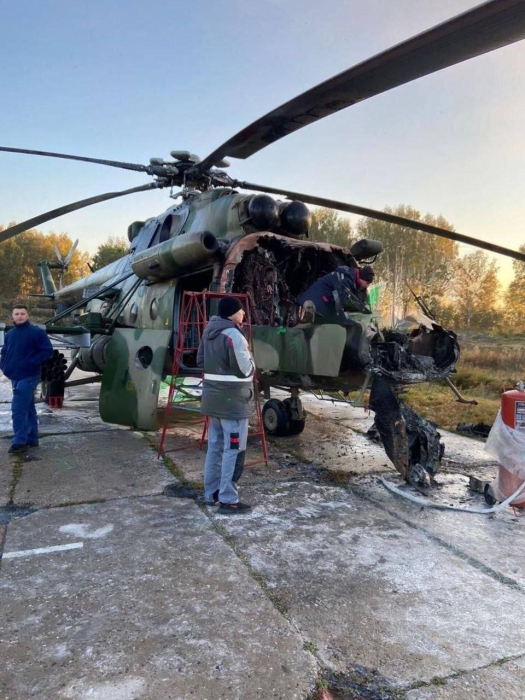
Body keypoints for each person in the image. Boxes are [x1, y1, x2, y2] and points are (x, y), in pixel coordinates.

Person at [197, 296, 256, 514]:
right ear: (232, 313)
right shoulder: (234, 335)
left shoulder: (208, 331)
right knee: (233, 449)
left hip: (213, 400)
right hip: (234, 403)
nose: (243, 315)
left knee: (215, 446)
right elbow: (246, 370)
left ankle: (211, 493)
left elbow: (200, 361)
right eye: (241, 311)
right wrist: (252, 360)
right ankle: (228, 498)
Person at [0, 304, 53, 453]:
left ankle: (19, 441)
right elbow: (4, 352)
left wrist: (31, 362)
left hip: (29, 375)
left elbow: (47, 351)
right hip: (14, 375)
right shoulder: (10, 334)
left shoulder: (36, 333)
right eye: (16, 314)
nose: (20, 316)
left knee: (17, 408)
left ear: (27, 315)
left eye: (22, 313)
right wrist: (4, 366)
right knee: (28, 407)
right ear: (13, 316)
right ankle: (32, 438)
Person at [297, 264, 375, 323]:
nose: (367, 286)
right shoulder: (344, 279)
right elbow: (343, 301)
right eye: (367, 283)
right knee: (343, 323)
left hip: (323, 301)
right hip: (315, 300)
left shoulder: (351, 280)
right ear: (361, 278)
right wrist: (359, 308)